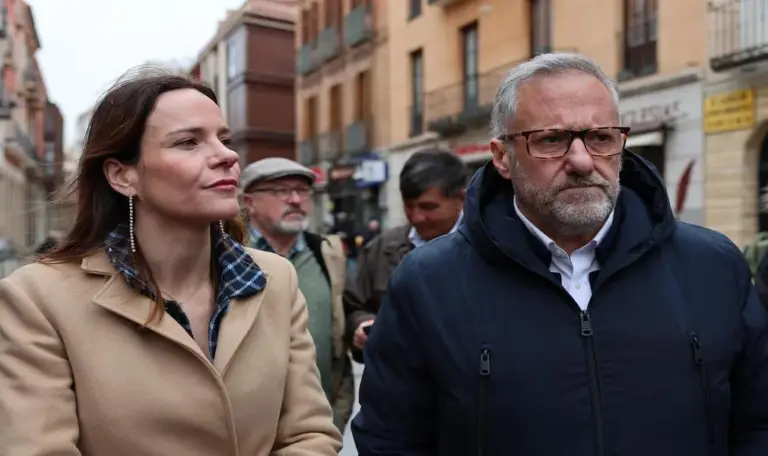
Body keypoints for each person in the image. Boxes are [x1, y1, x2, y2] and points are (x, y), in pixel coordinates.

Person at [353, 53, 768, 455]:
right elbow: (391, 439)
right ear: (502, 157)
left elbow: (757, 423)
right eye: (551, 140)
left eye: (601, 137)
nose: (582, 161)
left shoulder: (713, 266)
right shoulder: (428, 283)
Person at [0, 71, 341, 455]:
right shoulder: (38, 298)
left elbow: (310, 435)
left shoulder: (276, 278)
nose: (226, 155)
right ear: (122, 175)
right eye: (188, 142)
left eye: (223, 140)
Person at [241, 157, 354, 432]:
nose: (295, 199)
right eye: (281, 191)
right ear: (250, 202)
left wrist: (335, 417)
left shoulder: (328, 254)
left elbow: (338, 340)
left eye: (302, 191)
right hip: (250, 433)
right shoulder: (231, 257)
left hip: (318, 430)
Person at [343, 148, 469, 363]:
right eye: (409, 207)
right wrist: (362, 325)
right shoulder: (380, 250)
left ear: (461, 199)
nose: (417, 217)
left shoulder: (490, 247)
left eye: (429, 207)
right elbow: (354, 306)